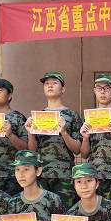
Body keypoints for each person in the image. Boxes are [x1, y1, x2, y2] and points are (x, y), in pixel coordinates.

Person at [25, 71, 82, 209]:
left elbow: (77, 149)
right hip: (42, 174)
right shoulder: (38, 117)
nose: (50, 86)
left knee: (63, 214)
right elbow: (32, 151)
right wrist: (30, 133)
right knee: (43, 213)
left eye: (54, 83)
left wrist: (64, 132)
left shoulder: (72, 115)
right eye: (46, 84)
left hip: (64, 175)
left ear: (63, 89)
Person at [80, 74, 111, 200]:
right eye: (99, 88)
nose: (103, 92)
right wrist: (85, 138)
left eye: (107, 88)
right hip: (94, 176)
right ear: (94, 91)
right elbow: (84, 154)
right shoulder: (89, 119)